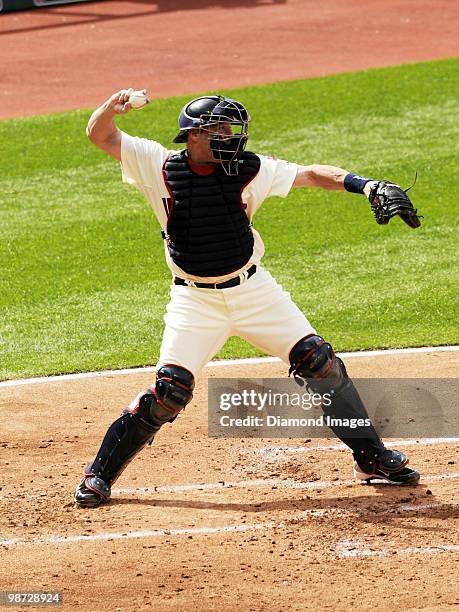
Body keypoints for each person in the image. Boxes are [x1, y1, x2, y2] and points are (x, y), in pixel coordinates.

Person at [74, 88, 419, 508]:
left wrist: (367, 186)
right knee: (169, 393)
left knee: (320, 364)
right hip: (195, 302)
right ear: (194, 136)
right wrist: (111, 108)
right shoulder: (157, 164)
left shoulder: (248, 169)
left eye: (232, 129)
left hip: (254, 291)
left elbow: (312, 174)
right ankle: (98, 476)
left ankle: (371, 458)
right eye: (219, 129)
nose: (231, 137)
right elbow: (101, 135)